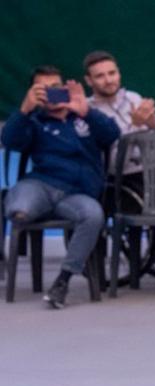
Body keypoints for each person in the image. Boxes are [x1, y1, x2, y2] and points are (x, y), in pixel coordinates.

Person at [2, 65, 120, 309]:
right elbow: (10, 141)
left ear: (65, 87)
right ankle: (29, 213)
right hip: (42, 184)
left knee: (93, 214)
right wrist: (24, 109)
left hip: (77, 194)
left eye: (55, 87)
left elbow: (111, 134)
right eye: (42, 89)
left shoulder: (83, 115)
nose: (50, 93)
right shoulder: (33, 120)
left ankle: (63, 280)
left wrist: (86, 111)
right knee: (19, 207)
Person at [84, 51, 155, 277]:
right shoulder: (85, 110)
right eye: (100, 76)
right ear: (89, 81)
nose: (108, 79)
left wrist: (151, 126)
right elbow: (110, 151)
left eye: (112, 73)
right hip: (111, 178)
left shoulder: (134, 98)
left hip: (144, 171)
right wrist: (133, 125)